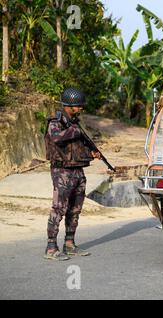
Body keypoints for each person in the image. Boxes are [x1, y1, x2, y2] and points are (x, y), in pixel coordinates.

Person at [44, 87, 101, 261]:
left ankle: (69, 244)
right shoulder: (56, 122)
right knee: (59, 208)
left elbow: (76, 148)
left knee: (75, 209)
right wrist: (73, 131)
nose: (81, 108)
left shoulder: (75, 123)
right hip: (62, 171)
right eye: (79, 105)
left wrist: (90, 153)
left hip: (77, 170)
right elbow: (56, 138)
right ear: (70, 105)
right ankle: (51, 247)